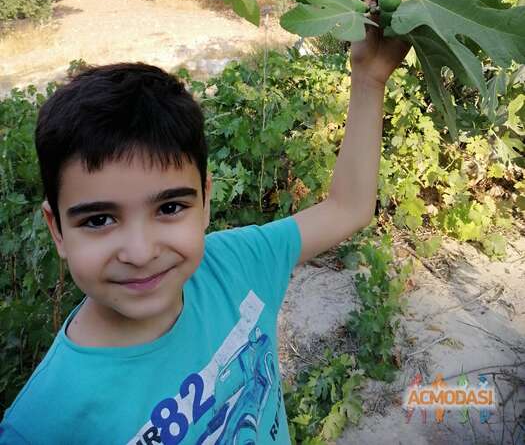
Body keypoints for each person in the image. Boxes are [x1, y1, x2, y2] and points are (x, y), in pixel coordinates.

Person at [0, 23, 410, 444]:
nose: (140, 253)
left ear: (205, 201)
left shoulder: (236, 264)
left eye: (170, 208)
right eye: (99, 220)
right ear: (58, 231)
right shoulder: (41, 425)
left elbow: (348, 207)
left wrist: (369, 77)